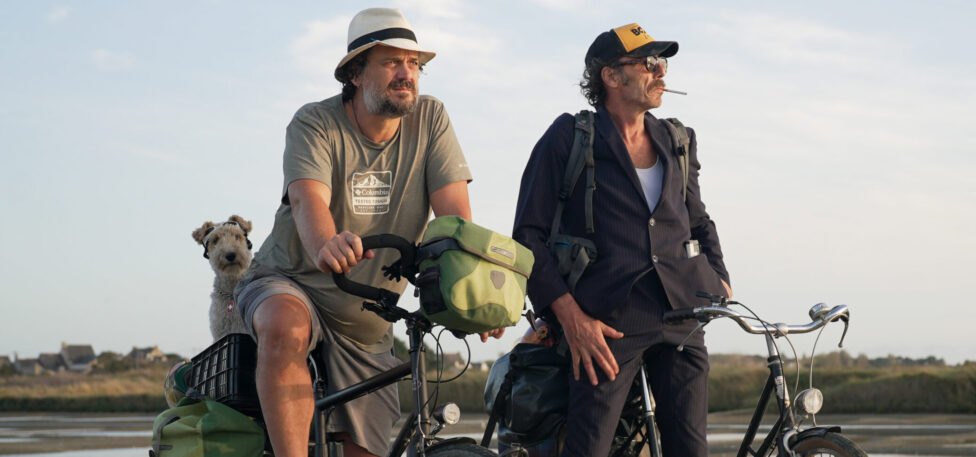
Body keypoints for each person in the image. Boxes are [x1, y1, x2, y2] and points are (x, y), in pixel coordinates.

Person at [234, 8, 499, 457]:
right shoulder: (314, 122)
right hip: (292, 281)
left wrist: (475, 294)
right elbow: (308, 199)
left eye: (413, 63)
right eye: (391, 62)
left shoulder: (431, 119)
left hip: (369, 317)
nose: (407, 73)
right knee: (284, 325)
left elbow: (455, 221)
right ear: (355, 73)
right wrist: (327, 243)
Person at [513, 23, 732, 457]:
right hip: (608, 324)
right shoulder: (569, 137)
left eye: (662, 62)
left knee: (692, 450)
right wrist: (572, 319)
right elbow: (527, 236)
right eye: (649, 63)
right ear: (611, 76)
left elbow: (697, 220)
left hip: (683, 316)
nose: (661, 72)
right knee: (589, 450)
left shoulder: (677, 140)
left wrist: (720, 280)